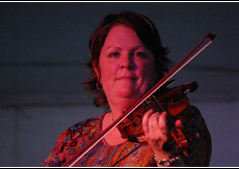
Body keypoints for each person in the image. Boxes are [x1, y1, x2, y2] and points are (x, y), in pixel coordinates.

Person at [41, 11, 211, 167]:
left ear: (156, 68)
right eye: (114, 54)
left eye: (139, 54)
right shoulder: (74, 138)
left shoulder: (181, 123)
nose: (126, 63)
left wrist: (165, 155)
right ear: (97, 70)